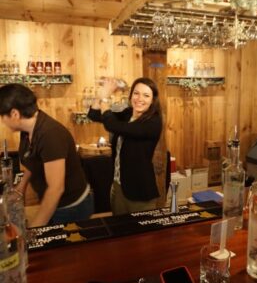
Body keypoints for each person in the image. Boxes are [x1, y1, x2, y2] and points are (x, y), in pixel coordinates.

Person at [0, 83, 94, 227]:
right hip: (54, 202)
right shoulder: (28, 129)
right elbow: (33, 160)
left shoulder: (50, 135)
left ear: (14, 114)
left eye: (2, 116)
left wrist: (36, 227)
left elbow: (56, 189)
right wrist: (20, 188)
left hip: (70, 207)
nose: (2, 121)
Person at [88, 77, 162, 215]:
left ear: (153, 100)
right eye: (136, 93)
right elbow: (94, 115)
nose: (140, 98)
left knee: (141, 235)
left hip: (140, 192)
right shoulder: (128, 113)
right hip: (118, 188)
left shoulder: (153, 122)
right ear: (131, 95)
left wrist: (105, 99)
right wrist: (99, 96)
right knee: (120, 232)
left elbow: (111, 125)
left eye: (146, 95)